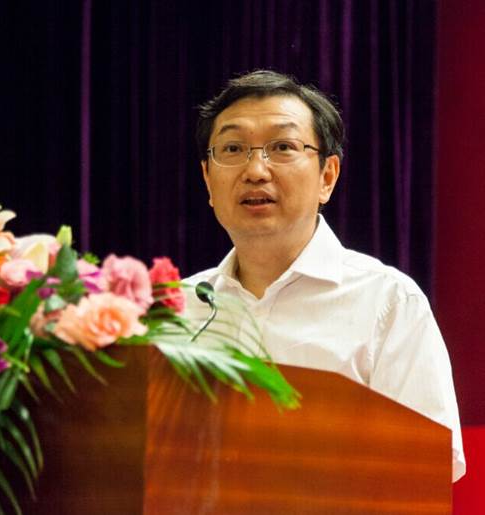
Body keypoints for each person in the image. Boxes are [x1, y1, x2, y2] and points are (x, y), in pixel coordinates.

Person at [185, 69, 465, 481]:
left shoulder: (388, 302)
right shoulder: (177, 308)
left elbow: (426, 469)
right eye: (232, 148)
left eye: (282, 147)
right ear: (208, 180)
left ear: (327, 177)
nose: (256, 170)